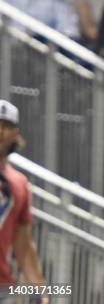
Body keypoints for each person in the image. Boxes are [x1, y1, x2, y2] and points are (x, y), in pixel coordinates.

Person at [0, 100, 46, 300]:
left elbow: (24, 246)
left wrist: (41, 293)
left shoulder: (19, 184)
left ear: (16, 134)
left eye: (7, 125)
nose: (0, 131)